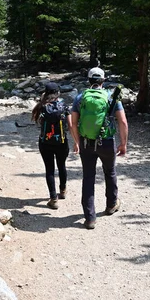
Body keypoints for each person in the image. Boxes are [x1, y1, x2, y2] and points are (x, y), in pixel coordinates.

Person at [70, 67, 128, 230]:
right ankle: (111, 205)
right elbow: (123, 122)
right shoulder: (111, 96)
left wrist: (77, 141)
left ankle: (90, 218)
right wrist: (123, 144)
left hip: (86, 142)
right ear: (103, 80)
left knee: (88, 177)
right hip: (107, 142)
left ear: (89, 81)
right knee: (110, 172)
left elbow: (73, 123)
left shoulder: (80, 97)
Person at [32, 82, 72, 210]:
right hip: (61, 141)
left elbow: (37, 121)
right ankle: (63, 190)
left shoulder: (41, 106)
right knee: (62, 166)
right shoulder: (63, 105)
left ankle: (53, 198)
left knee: (49, 169)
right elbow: (70, 125)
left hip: (45, 142)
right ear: (58, 92)